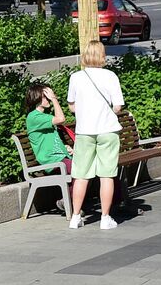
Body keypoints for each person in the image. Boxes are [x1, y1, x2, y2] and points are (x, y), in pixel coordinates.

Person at [66, 40, 127, 230]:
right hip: (107, 130)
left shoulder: (76, 77)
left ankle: (75, 217)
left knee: (81, 175)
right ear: (102, 56)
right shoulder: (110, 76)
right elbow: (118, 106)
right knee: (107, 175)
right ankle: (105, 218)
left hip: (84, 132)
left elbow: (72, 105)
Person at [23, 80, 70, 171]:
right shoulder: (33, 117)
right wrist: (54, 99)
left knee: (90, 171)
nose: (48, 98)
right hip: (52, 162)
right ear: (36, 98)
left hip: (60, 159)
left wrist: (64, 148)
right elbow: (61, 119)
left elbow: (49, 140)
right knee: (82, 172)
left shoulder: (44, 117)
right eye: (45, 96)